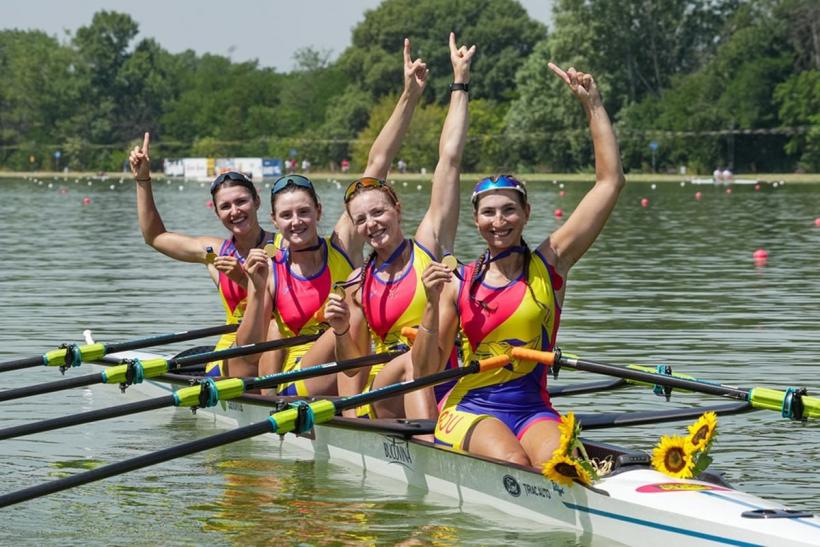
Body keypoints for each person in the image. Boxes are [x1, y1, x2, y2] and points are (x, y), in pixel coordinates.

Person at [412, 63, 625, 467]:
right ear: (475, 221)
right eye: (488, 213)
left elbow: (609, 182)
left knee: (564, 463)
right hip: (469, 407)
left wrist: (592, 104)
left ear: (526, 213)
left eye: (509, 210)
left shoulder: (552, 261)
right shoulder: (457, 282)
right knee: (515, 461)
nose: (499, 221)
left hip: (532, 409)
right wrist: (431, 300)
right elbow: (424, 369)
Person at [233, 38, 430, 392]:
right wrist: (259, 290)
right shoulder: (272, 266)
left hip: (352, 365)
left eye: (304, 212)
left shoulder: (342, 243)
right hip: (294, 382)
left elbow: (377, 165)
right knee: (350, 312)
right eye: (287, 216)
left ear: (319, 212)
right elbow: (245, 355)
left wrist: (409, 97)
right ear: (274, 222)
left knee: (354, 313)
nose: (297, 222)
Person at [323, 33, 474, 421]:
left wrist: (459, 83)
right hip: (387, 395)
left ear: (397, 208)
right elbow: (352, 368)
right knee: (410, 363)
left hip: (445, 382)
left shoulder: (430, 243)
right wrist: (340, 330)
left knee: (422, 366)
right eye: (361, 220)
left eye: (378, 213)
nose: (371, 224)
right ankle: (426, 440)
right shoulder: (357, 282)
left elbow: (450, 160)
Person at [128, 134, 279, 376]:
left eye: (241, 201)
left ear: (257, 201)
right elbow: (154, 237)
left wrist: (243, 278)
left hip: (279, 346)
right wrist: (143, 179)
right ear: (217, 214)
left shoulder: (284, 245)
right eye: (226, 206)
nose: (235, 211)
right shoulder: (214, 253)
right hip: (235, 352)